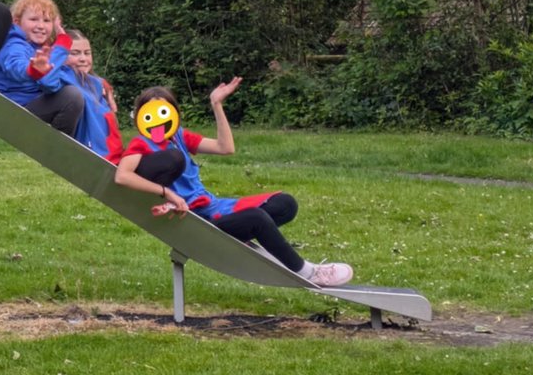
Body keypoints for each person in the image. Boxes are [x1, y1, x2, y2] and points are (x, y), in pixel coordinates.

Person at [111, 78, 355, 287]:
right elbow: (122, 175)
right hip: (196, 219)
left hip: (213, 206)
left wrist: (217, 105)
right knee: (256, 219)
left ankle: (244, 234)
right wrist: (167, 193)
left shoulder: (179, 136)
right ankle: (308, 272)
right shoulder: (142, 143)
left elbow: (225, 148)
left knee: (285, 204)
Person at [0, 0, 85, 136]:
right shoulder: (14, 44)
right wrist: (62, 46)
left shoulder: (40, 50)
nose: (40, 26)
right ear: (16, 22)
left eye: (46, 21)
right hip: (11, 109)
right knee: (72, 97)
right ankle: (58, 149)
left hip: (29, 106)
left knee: (75, 95)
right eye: (33, 19)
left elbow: (50, 84)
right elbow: (17, 66)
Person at [65, 29, 123, 158]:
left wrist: (106, 86)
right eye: (75, 53)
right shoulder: (62, 78)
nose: (83, 59)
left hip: (113, 153)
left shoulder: (95, 84)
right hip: (93, 153)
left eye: (87, 53)